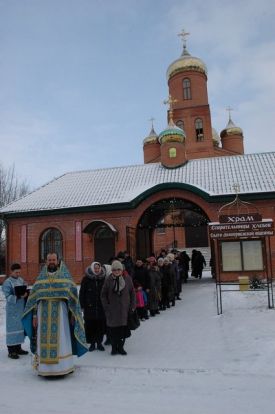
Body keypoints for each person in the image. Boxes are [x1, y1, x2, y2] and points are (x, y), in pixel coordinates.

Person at [22, 253, 88, 377]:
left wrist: (73, 314)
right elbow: (34, 299)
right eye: (49, 259)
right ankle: (45, 369)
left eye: (53, 259)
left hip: (61, 313)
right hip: (43, 312)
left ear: (57, 261)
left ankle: (63, 367)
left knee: (62, 338)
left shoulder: (65, 276)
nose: (51, 261)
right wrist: (35, 316)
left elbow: (73, 296)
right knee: (43, 339)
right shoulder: (41, 278)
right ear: (46, 261)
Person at [101, 260, 136, 355]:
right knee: (113, 331)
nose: (116, 271)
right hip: (112, 311)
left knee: (122, 331)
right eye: (114, 270)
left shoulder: (127, 278)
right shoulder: (108, 280)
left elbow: (132, 293)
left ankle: (121, 347)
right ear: (112, 270)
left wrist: (133, 306)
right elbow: (103, 295)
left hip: (124, 310)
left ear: (121, 270)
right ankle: (114, 348)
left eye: (118, 269)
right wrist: (106, 306)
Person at [2, 263, 29, 359]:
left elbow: (24, 291)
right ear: (11, 272)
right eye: (16, 272)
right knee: (12, 328)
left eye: (19, 272)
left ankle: (18, 348)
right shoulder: (7, 282)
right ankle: (11, 350)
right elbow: (7, 296)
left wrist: (26, 292)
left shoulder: (21, 280)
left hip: (20, 308)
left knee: (19, 328)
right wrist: (18, 296)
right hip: (12, 310)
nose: (18, 274)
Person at [79, 261, 106, 351]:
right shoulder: (86, 279)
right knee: (90, 326)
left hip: (101, 307)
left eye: (98, 268)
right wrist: (82, 305)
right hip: (89, 307)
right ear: (92, 268)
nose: (97, 270)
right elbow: (82, 293)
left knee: (100, 326)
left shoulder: (103, 278)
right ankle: (92, 343)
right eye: (95, 268)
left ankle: (99, 343)